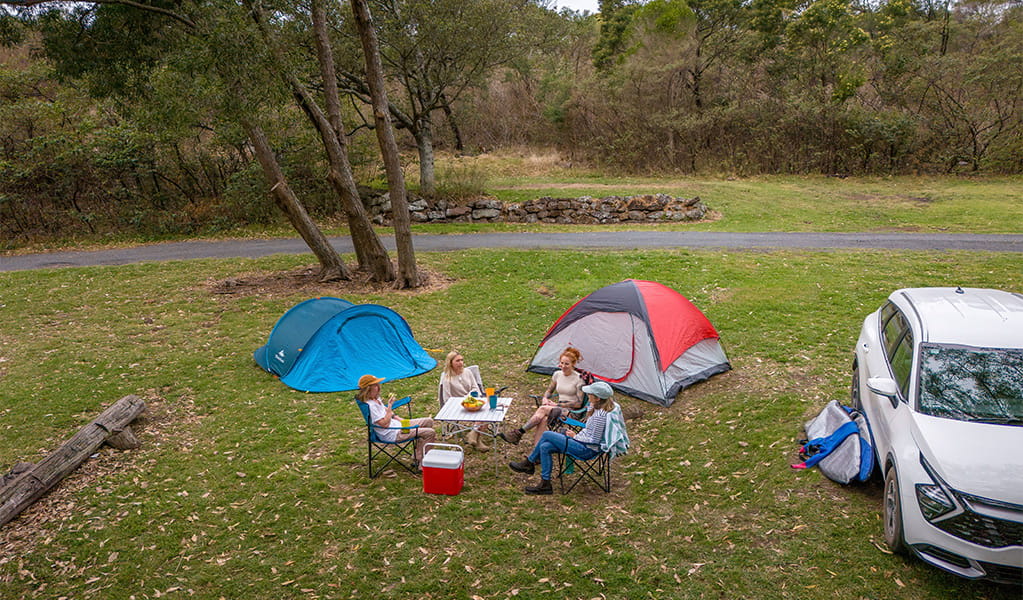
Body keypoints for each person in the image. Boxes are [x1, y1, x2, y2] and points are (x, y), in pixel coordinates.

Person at [510, 381, 616, 495]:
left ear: (597, 398)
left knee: (546, 435)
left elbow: (594, 440)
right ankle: (545, 484)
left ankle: (529, 463)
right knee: (545, 446)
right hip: (582, 443)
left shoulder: (600, 415)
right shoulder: (596, 407)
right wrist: (577, 435)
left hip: (587, 450)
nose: (588, 395)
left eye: (590, 393)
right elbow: (589, 432)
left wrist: (575, 436)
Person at [499, 347, 586, 451]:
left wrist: (558, 405)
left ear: (573, 364)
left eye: (567, 364)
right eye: (561, 363)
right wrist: (545, 398)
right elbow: (549, 390)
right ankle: (537, 452)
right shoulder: (557, 375)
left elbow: (579, 404)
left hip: (572, 412)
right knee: (543, 419)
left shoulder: (579, 379)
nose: (563, 366)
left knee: (543, 409)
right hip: (557, 410)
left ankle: (519, 433)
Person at [358, 374, 436, 471]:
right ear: (368, 389)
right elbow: (385, 424)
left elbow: (384, 409)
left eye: (378, 384)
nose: (378, 387)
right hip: (392, 433)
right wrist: (390, 407)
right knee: (430, 432)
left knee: (428, 421)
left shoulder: (376, 398)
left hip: (398, 425)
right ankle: (422, 464)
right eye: (375, 385)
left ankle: (417, 457)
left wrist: (398, 418)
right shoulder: (370, 406)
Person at [440, 350, 490, 452]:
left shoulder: (468, 372)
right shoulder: (447, 378)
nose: (461, 363)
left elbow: (476, 389)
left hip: (472, 402)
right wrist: (463, 401)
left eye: (462, 360)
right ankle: (476, 438)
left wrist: (470, 397)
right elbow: (447, 399)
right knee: (482, 415)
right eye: (457, 361)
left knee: (487, 412)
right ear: (451, 363)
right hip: (457, 407)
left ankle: (474, 434)